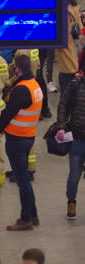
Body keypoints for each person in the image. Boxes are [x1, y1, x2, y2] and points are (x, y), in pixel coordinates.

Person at [0, 55, 42, 230]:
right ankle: (33, 214)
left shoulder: (22, 89)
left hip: (17, 139)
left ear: (17, 69)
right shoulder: (35, 85)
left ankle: (26, 219)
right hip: (28, 136)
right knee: (24, 179)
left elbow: (9, 112)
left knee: (23, 181)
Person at [56, 75, 85, 220]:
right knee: (74, 176)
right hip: (77, 139)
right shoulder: (76, 84)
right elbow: (63, 104)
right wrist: (61, 126)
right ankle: (71, 201)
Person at [56, 0, 83, 95]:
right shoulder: (58, 5)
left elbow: (80, 27)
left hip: (74, 49)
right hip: (65, 51)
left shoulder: (73, 6)